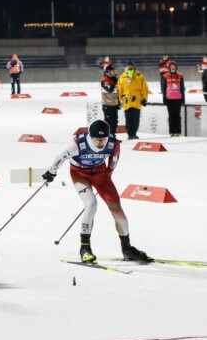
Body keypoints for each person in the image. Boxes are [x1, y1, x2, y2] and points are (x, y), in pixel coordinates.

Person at [42, 119, 151, 263]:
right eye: (96, 140)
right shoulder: (78, 144)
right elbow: (60, 157)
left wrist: (107, 175)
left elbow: (114, 160)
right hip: (79, 174)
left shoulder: (113, 144)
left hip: (100, 174)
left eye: (103, 139)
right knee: (91, 204)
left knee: (117, 209)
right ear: (90, 137)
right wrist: (51, 172)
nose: (100, 143)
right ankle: (85, 248)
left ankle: (127, 249)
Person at [117, 61, 148, 140]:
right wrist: (118, 100)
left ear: (134, 67)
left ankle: (134, 133)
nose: (130, 67)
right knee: (128, 118)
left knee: (136, 118)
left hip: (137, 100)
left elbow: (144, 88)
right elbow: (119, 89)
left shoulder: (139, 76)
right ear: (126, 67)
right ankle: (130, 134)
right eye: (129, 66)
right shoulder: (123, 77)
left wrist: (144, 98)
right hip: (126, 101)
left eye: (132, 66)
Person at [160, 61, 186, 137]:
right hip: (169, 98)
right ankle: (172, 131)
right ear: (169, 68)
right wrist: (164, 97)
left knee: (177, 115)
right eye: (171, 67)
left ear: (176, 67)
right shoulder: (165, 76)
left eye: (174, 67)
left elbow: (182, 88)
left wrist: (183, 98)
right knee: (171, 115)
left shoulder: (180, 75)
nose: (173, 68)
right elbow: (164, 87)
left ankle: (178, 131)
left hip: (178, 98)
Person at [100, 64, 120, 135]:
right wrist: (114, 82)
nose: (114, 72)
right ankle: (107, 136)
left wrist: (118, 103)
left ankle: (113, 136)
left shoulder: (114, 80)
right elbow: (109, 90)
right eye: (113, 71)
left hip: (114, 104)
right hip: (107, 104)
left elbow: (117, 92)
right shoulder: (104, 80)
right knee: (108, 122)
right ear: (108, 72)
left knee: (114, 122)